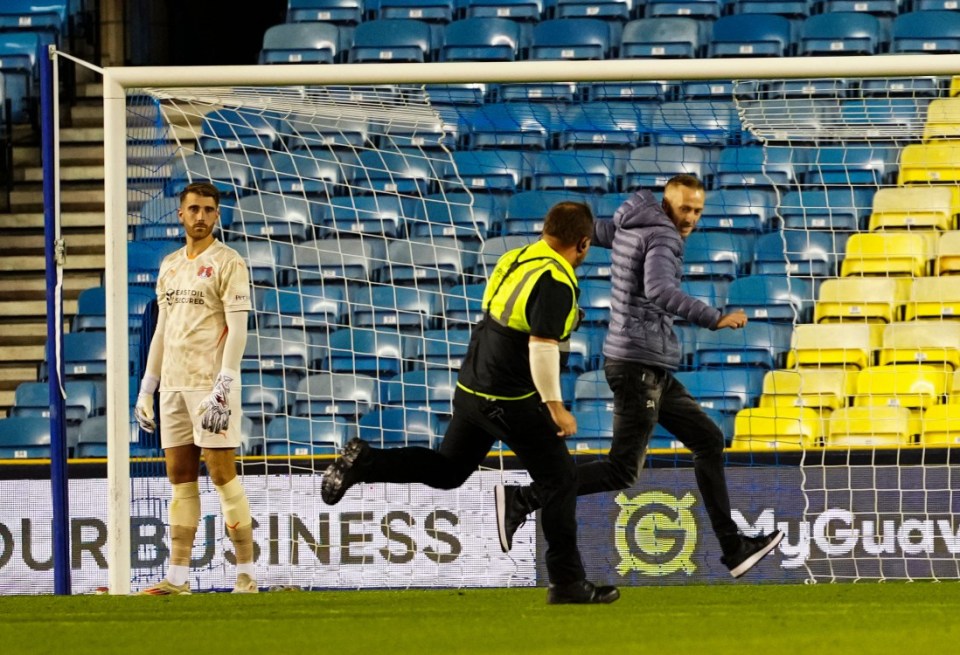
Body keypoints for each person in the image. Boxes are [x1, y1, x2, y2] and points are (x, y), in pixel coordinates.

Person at [321, 201, 620, 605]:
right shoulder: (556, 279)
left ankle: (365, 462)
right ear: (584, 243)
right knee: (561, 479)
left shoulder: (518, 258)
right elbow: (542, 344)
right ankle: (567, 583)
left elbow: (508, 315)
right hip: (509, 396)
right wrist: (554, 404)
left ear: (545, 229)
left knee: (449, 470)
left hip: (474, 386)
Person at [496, 174, 784, 579]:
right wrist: (713, 318)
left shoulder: (633, 223)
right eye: (685, 208)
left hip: (647, 363)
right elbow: (660, 291)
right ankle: (523, 498)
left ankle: (734, 547)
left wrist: (550, 233)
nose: (691, 218)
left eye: (698, 210)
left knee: (708, 439)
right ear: (667, 204)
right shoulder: (663, 237)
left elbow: (591, 231)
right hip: (638, 366)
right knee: (621, 470)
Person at [133, 181, 257, 594]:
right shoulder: (169, 265)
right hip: (172, 386)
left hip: (210, 386)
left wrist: (225, 383)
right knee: (180, 477)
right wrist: (146, 388)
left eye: (208, 209)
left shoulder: (229, 262)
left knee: (222, 475)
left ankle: (246, 574)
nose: (200, 216)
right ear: (180, 214)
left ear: (217, 215)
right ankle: (179, 578)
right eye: (193, 209)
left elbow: (238, 330)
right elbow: (162, 331)